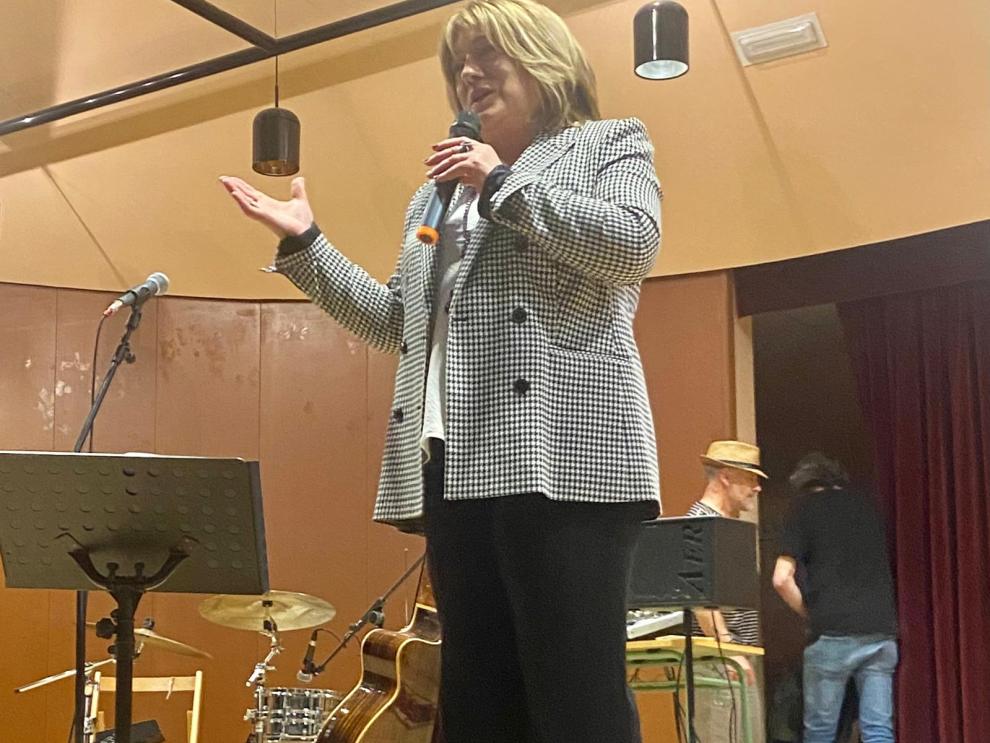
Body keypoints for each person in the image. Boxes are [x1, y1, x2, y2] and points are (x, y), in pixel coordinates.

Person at [220, 1, 663, 741]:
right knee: (478, 703)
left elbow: (633, 245)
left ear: (541, 58)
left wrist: (502, 183)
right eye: (459, 62)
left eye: (487, 53)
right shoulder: (432, 197)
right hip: (453, 462)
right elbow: (398, 322)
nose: (468, 73)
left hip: (563, 456)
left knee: (575, 701)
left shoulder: (607, 143)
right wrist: (307, 244)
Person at [773, 453, 898, 743]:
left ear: (803, 486)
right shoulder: (868, 508)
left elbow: (781, 579)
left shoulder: (803, 510)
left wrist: (810, 613)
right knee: (878, 730)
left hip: (832, 634)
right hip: (880, 630)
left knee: (821, 733)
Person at [685, 440, 766, 742]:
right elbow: (700, 599)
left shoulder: (724, 526)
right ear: (726, 476)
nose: (757, 487)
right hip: (718, 662)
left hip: (732, 658)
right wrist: (730, 652)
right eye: (750, 478)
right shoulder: (702, 525)